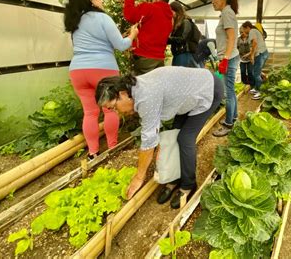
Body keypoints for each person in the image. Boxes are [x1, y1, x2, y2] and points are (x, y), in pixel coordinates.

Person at [95, 67, 223, 208]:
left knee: (185, 138)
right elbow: (153, 132)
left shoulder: (145, 96)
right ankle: (175, 177)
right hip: (187, 94)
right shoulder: (135, 90)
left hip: (207, 89)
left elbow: (148, 142)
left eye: (113, 107)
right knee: (174, 134)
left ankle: (188, 185)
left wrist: (139, 177)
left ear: (123, 94)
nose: (116, 111)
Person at [64, 0, 139, 159]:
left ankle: (93, 153)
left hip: (78, 70)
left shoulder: (74, 21)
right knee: (110, 109)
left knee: (90, 112)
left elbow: (90, 43)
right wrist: (132, 36)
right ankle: (112, 147)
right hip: (102, 68)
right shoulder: (102, 18)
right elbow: (121, 46)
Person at [123, 0, 173, 75]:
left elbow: (130, 15)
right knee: (154, 85)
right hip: (159, 58)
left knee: (140, 85)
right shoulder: (170, 17)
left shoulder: (150, 8)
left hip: (145, 56)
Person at [211, 0, 240, 137]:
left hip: (229, 57)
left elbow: (232, 37)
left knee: (228, 92)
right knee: (231, 90)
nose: (213, 2)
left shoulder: (227, 13)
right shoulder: (226, 13)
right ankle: (234, 118)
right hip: (230, 56)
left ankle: (229, 124)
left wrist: (225, 58)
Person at [241, 21, 269, 100]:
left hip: (261, 54)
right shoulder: (254, 31)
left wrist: (252, 56)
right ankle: (257, 89)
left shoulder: (252, 31)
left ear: (247, 28)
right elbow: (255, 46)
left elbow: (255, 44)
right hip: (262, 53)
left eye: (243, 29)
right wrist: (249, 54)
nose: (243, 31)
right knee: (255, 72)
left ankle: (260, 92)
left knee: (256, 73)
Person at [167, 1, 198, 67]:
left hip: (183, 53)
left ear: (176, 10)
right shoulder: (178, 23)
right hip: (178, 53)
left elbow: (183, 39)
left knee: (180, 75)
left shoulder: (186, 21)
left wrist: (168, 39)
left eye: (170, 11)